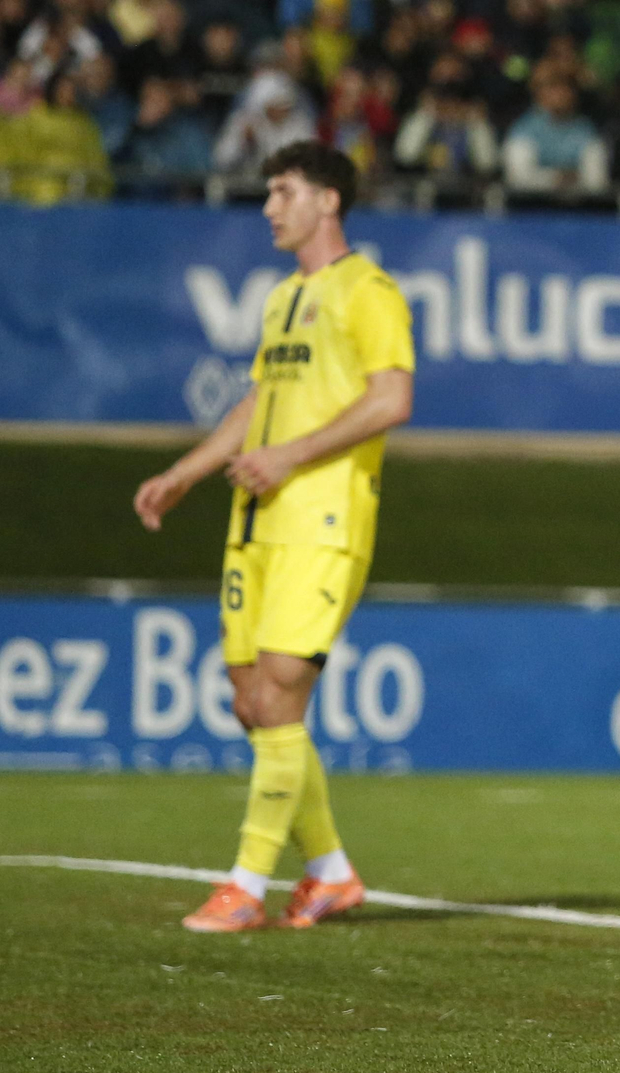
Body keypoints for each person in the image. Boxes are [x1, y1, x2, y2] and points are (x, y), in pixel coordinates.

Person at [132, 141, 414, 932]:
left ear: (329, 200)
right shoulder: (283, 299)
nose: (269, 207)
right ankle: (330, 873)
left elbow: (391, 399)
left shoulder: (369, 289)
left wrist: (290, 455)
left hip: (323, 517)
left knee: (283, 683)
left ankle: (246, 885)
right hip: (255, 521)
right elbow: (258, 402)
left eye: (283, 191)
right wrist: (187, 471)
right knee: (252, 702)